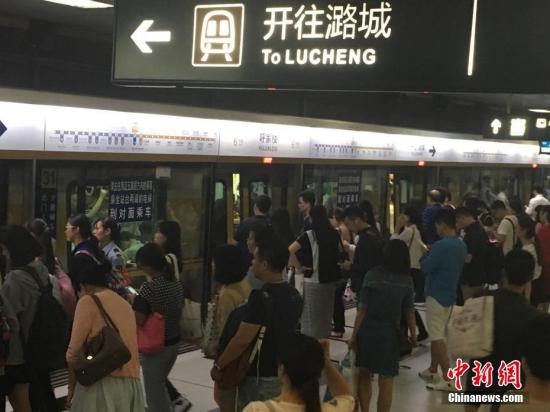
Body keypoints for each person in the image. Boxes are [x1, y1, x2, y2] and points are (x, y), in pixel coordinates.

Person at [212, 237, 303, 411]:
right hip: (282, 370)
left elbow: (242, 340)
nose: (252, 263)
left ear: (265, 264)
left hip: (259, 375)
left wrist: (219, 365)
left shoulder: (260, 298)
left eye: (255, 259)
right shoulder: (294, 294)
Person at [65, 247, 144, 412]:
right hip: (132, 385)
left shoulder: (87, 302)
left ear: (80, 284)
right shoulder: (123, 303)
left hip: (101, 386)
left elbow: (72, 354)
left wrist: (71, 388)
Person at [465, 250, 541, 411]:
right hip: (510, 381)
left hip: (479, 374)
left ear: (503, 271)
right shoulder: (533, 317)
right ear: (530, 277)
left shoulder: (481, 298)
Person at [349, 239, 417, 412]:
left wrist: (353, 336)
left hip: (367, 331)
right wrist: (413, 336)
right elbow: (409, 312)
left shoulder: (372, 274)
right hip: (390, 334)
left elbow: (362, 310)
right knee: (387, 379)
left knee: (365, 373)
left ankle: (365, 410)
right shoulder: (406, 280)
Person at [0, 225, 56, 412]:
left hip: (16, 356)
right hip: (40, 348)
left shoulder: (14, 279)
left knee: (22, 402)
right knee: (38, 397)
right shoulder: (42, 272)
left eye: (5, 249)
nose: (4, 254)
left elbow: (9, 323)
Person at [132, 243, 190, 412]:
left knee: (154, 396)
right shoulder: (176, 284)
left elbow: (139, 319)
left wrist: (132, 302)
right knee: (160, 386)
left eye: (141, 266)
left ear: (148, 266)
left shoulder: (148, 289)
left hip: (155, 348)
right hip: (173, 343)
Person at [419, 208, 467, 391]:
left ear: (442, 225)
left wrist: (425, 254)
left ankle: (448, 377)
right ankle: (432, 369)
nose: (436, 229)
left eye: (436, 226)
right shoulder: (461, 245)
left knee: (437, 337)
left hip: (435, 295)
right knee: (436, 332)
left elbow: (426, 266)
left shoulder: (440, 246)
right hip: (449, 293)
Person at [243, 335, 354, 412]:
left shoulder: (257, 409)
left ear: (281, 369)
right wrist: (326, 361)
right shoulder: (332, 409)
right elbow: (346, 397)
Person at [289, 205, 344, 338]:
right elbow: (340, 254)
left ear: (313, 218)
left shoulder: (309, 235)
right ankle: (323, 346)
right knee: (325, 317)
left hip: (313, 281)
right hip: (330, 282)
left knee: (310, 319)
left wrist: (299, 267)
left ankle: (310, 347)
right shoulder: (335, 233)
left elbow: (289, 250)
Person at [208, 245, 252, 412]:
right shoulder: (245, 285)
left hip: (230, 357)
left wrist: (219, 363)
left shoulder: (227, 294)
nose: (212, 266)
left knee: (225, 398)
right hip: (245, 354)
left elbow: (226, 331)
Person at [391, 206, 428, 341]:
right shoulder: (416, 230)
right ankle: (420, 331)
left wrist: (396, 228)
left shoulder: (408, 231)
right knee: (408, 304)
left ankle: (405, 334)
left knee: (404, 304)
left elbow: (393, 244)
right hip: (416, 270)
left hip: (408, 270)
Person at [343, 206, 383, 296]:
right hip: (376, 283)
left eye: (348, 224)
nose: (349, 228)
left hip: (366, 286)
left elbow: (365, 265)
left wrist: (350, 266)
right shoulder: (374, 232)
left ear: (357, 220)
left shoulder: (365, 239)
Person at [328, 208, 353, 339]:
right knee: (337, 299)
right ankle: (338, 326)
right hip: (346, 266)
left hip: (342, 267)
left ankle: (338, 327)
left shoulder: (340, 230)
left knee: (336, 299)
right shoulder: (346, 228)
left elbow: (342, 248)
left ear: (334, 218)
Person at [65, 214, 105, 294]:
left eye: (67, 228)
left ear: (76, 229)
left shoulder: (80, 258)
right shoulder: (92, 247)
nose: (65, 231)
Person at [455, 207, 488, 302]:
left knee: (470, 305)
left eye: (458, 220)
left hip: (471, 277)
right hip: (478, 274)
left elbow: (469, 256)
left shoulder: (472, 233)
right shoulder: (478, 229)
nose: (457, 223)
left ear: (463, 217)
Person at [234, 196, 271, 265]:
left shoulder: (246, 223)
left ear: (255, 207)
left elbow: (236, 239)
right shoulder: (271, 224)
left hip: (245, 261)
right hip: (266, 262)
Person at [517, 215, 542, 302]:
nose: (515, 229)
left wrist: (526, 300)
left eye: (517, 227)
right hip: (537, 284)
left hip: (531, 289)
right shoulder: (534, 244)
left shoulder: (526, 251)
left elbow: (528, 279)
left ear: (524, 231)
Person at [535, 205, 550, 310]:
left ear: (546, 214)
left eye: (541, 213)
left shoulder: (542, 230)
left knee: (542, 299)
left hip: (545, 267)